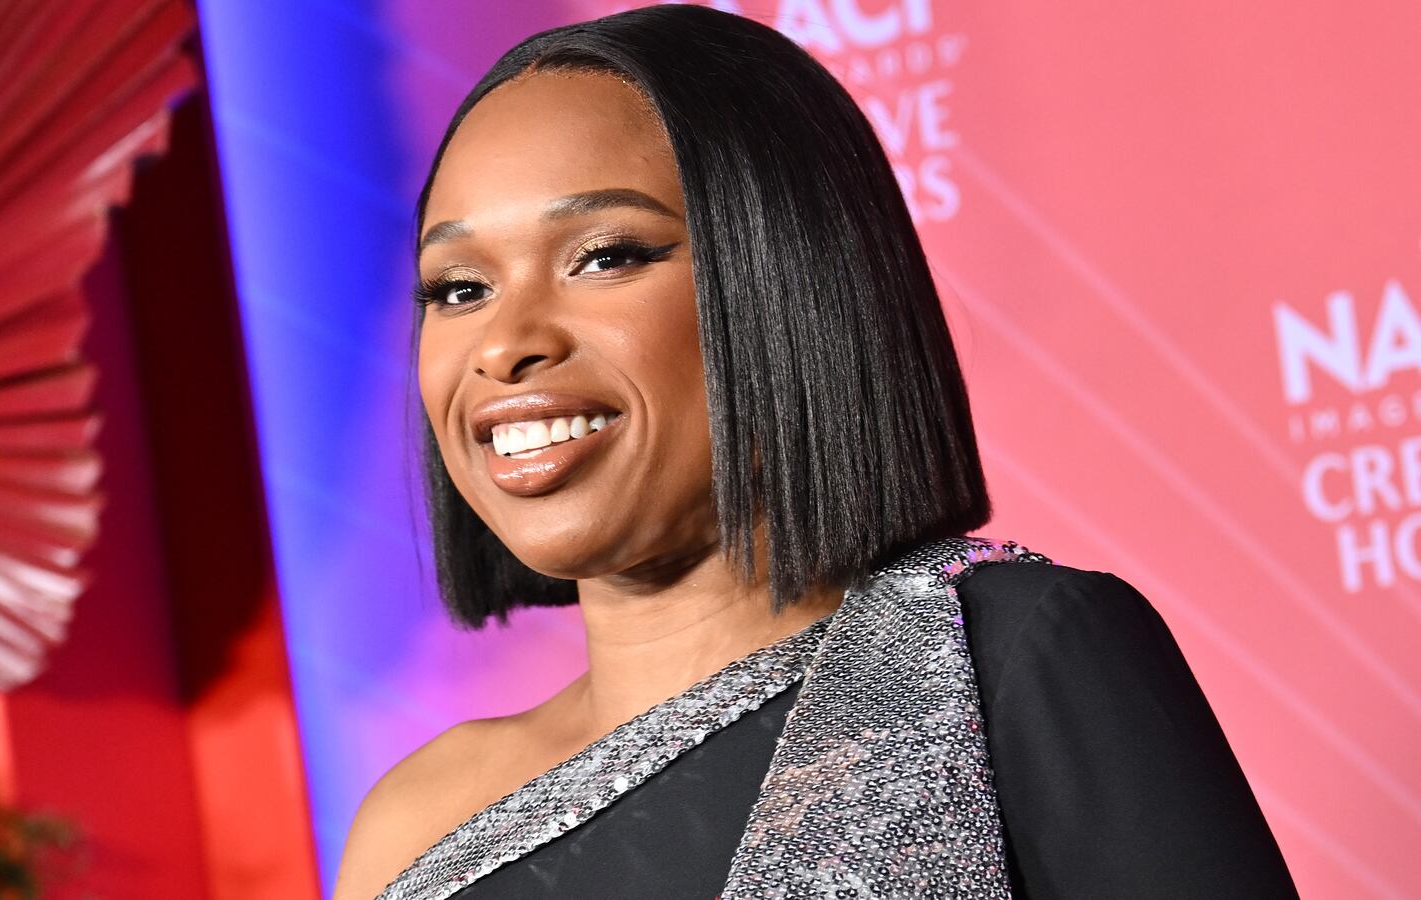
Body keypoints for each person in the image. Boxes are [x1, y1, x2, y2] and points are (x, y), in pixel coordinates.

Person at [334, 5, 1299, 898]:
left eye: (608, 256)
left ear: (787, 279)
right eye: (458, 288)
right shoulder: (413, 828)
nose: (505, 344)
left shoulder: (1006, 658)